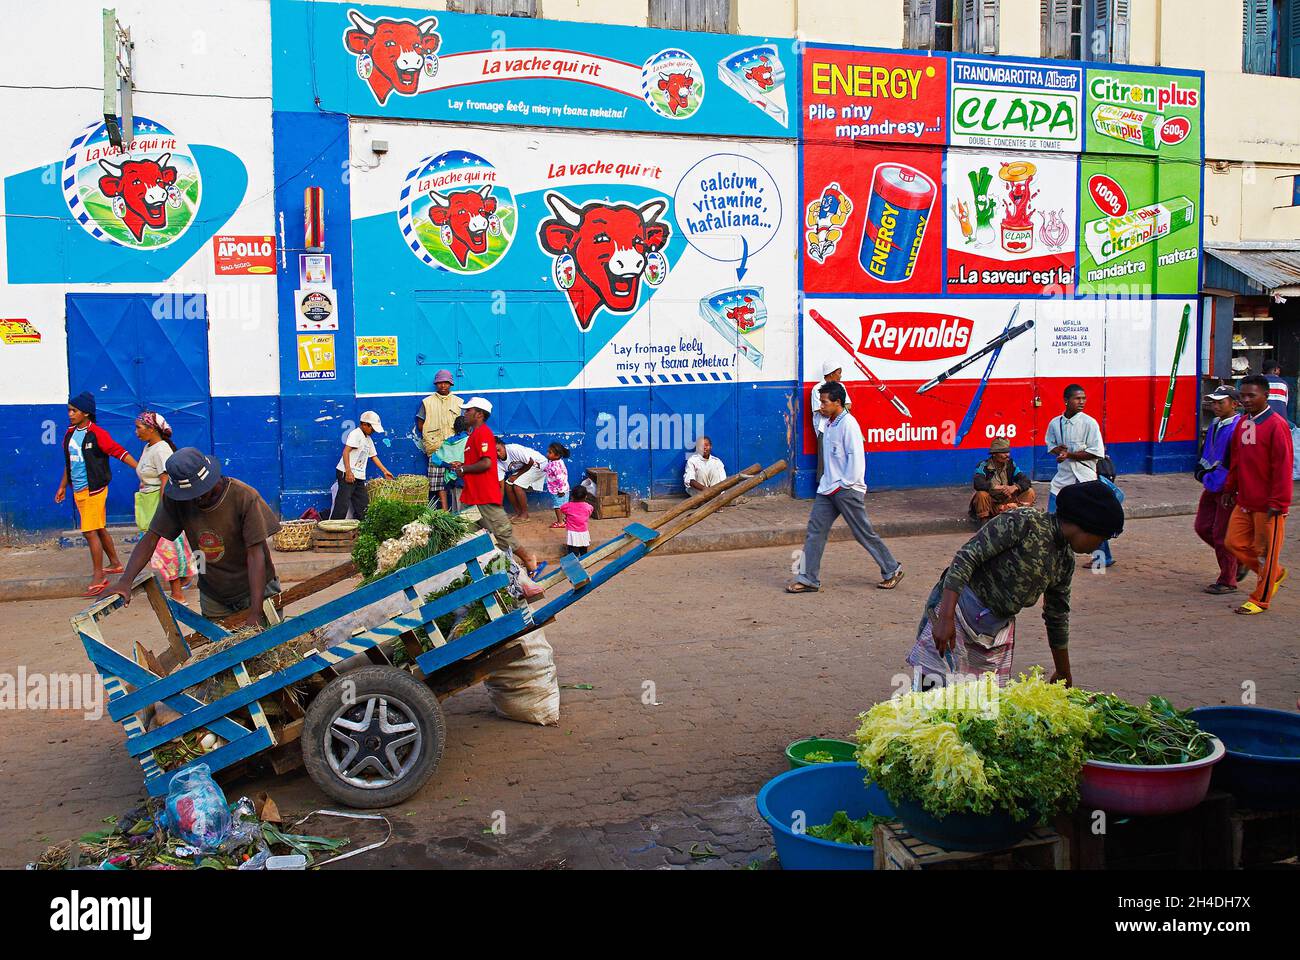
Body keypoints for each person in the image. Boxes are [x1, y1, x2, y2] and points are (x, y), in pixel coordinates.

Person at [907, 480, 1125, 690]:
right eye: (1100, 538)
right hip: (957, 611)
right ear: (1084, 526)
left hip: (995, 630)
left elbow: (1057, 615)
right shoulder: (1025, 522)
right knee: (932, 694)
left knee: (976, 706)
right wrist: (945, 619)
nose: (1098, 545)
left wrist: (1063, 671)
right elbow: (966, 558)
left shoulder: (1064, 561)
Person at [108, 449, 283, 627]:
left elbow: (256, 555)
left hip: (255, 591)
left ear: (211, 480)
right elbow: (151, 537)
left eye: (201, 493)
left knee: (267, 649)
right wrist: (125, 581)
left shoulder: (244, 497)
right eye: (189, 496)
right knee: (222, 651)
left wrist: (256, 610)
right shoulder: (177, 499)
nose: (196, 500)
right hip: (213, 594)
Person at [787, 381, 904, 593]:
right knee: (815, 531)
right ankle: (807, 578)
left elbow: (856, 459)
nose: (820, 406)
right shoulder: (829, 424)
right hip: (827, 489)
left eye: (824, 402)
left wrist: (846, 484)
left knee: (863, 533)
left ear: (837, 402)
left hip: (846, 489)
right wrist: (827, 484)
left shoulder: (849, 424)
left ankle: (891, 568)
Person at [54, 392, 137, 597]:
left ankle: (99, 576)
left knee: (89, 532)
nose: (70, 414)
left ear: (86, 413)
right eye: (69, 410)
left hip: (95, 490)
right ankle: (116, 563)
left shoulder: (97, 433)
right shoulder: (70, 434)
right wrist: (63, 486)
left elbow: (118, 451)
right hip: (79, 491)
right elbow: (69, 463)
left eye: (74, 411)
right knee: (98, 528)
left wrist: (139, 468)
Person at [1223, 375, 1293, 615]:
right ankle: (1274, 574)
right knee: (1233, 542)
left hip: (1268, 504)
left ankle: (1260, 599)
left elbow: (1283, 466)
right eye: (1243, 395)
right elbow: (1237, 460)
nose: (1246, 400)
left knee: (1266, 552)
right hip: (1245, 500)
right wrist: (1230, 488)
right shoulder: (1243, 423)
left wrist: (1279, 501)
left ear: (1266, 396)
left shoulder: (1276, 425)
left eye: (1251, 395)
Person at [448, 397, 540, 576]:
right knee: (468, 536)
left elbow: (487, 463)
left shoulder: (483, 434)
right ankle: (482, 573)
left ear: (479, 414)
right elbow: (478, 462)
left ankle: (527, 559)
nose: (465, 413)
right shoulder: (473, 435)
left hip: (484, 497)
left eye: (468, 410)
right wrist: (463, 466)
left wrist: (464, 469)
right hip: (471, 497)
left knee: (501, 533)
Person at [1045, 384, 1113, 567]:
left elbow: (1096, 452)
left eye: (1083, 398)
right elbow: (1050, 444)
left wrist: (1070, 455)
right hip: (1063, 479)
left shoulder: (1089, 423)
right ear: (1066, 400)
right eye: (1077, 398)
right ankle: (1054, 559)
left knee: (1095, 520)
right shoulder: (1055, 423)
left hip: (1085, 479)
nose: (1082, 402)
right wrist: (1059, 452)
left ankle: (1103, 558)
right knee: (1052, 519)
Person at [133, 411, 195, 603]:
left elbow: (166, 480)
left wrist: (163, 510)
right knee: (163, 547)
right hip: (147, 502)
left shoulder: (161, 450)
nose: (136, 432)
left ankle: (177, 593)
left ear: (152, 429)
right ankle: (185, 577)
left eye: (139, 427)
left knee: (164, 548)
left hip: (157, 504)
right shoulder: (149, 447)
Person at [1193, 386, 1243, 595]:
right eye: (1214, 402)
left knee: (1221, 534)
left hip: (1226, 487)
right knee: (1203, 527)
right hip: (1211, 483)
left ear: (1234, 403)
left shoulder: (1238, 427)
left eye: (1220, 402)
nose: (1215, 406)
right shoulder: (1215, 423)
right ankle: (1237, 560)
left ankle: (1228, 579)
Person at [331, 411, 392, 521]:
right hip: (347, 473)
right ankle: (334, 530)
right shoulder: (356, 434)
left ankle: (364, 527)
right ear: (364, 424)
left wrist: (385, 471)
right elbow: (345, 452)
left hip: (358, 476)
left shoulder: (368, 439)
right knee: (342, 504)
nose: (372, 431)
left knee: (363, 505)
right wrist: (348, 472)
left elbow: (374, 456)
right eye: (372, 428)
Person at [415, 370, 463, 511]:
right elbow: (420, 423)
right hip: (435, 446)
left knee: (456, 478)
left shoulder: (458, 402)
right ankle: (444, 509)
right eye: (440, 383)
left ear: (450, 384)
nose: (443, 385)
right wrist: (430, 435)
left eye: (446, 383)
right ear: (436, 384)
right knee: (438, 482)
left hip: (454, 448)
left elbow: (463, 423)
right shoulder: (427, 402)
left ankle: (457, 509)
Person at [969, 437, 1036, 522]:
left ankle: (1021, 519)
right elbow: (978, 483)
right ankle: (985, 523)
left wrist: (1014, 487)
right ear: (994, 454)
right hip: (992, 504)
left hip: (1006, 500)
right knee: (981, 494)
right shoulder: (983, 466)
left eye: (1008, 452)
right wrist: (997, 487)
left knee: (1029, 492)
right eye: (1003, 452)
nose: (1007, 455)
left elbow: (1025, 480)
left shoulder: (1010, 464)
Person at [811, 359, 851, 479]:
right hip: (824, 429)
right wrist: (838, 409)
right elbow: (821, 410)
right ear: (831, 373)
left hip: (840, 427)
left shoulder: (841, 387)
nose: (840, 376)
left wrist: (833, 409)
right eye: (839, 372)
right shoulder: (817, 388)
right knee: (824, 460)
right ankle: (824, 487)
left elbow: (849, 405)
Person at [498, 440, 547, 522]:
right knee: (508, 485)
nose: (498, 454)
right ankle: (518, 513)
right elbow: (501, 485)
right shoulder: (497, 463)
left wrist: (516, 476)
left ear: (503, 445)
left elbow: (530, 462)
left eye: (498, 450)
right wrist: (499, 505)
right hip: (526, 468)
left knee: (517, 486)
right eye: (494, 452)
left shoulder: (514, 449)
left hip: (538, 464)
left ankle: (525, 515)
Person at [428, 415, 469, 512]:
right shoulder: (469, 440)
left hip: (450, 478)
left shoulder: (447, 442)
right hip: (463, 476)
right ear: (468, 427)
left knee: (455, 503)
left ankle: (458, 524)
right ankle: (464, 525)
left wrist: (449, 465)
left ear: (454, 428)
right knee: (464, 507)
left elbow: (435, 458)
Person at [558, 485, 594, 557]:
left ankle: (573, 565)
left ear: (572, 496)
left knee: (572, 552)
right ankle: (584, 563)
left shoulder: (568, 506)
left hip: (572, 533)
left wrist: (567, 517)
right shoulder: (588, 507)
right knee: (584, 552)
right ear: (586, 496)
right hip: (584, 532)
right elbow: (590, 511)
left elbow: (561, 508)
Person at [544, 442, 572, 529]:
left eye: (549, 452)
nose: (547, 454)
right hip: (564, 488)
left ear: (556, 455)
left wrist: (560, 490)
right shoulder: (557, 462)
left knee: (557, 506)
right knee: (564, 505)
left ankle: (560, 522)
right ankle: (568, 520)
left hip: (558, 490)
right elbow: (548, 468)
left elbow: (560, 478)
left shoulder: (555, 465)